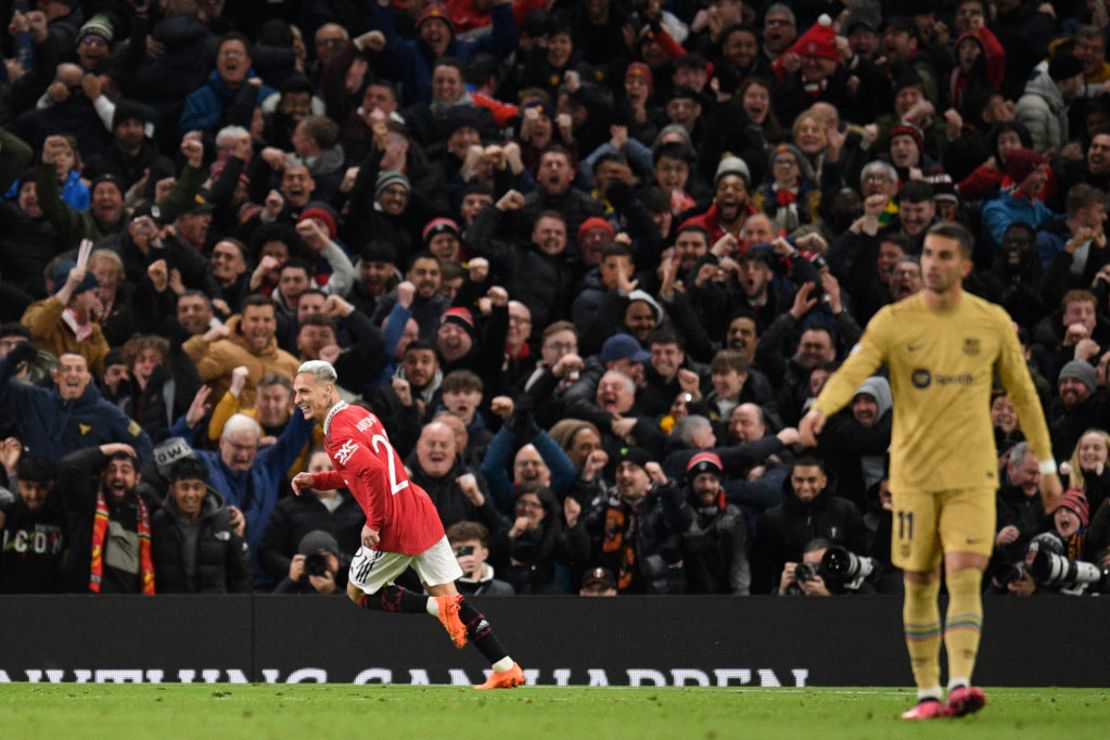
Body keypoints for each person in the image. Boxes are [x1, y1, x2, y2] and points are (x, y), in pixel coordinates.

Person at [800, 222, 1063, 719]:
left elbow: (1025, 396)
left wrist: (1047, 466)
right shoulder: (894, 321)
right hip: (914, 478)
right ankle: (926, 693)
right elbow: (855, 368)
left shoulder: (991, 321)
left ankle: (961, 682)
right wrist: (821, 406)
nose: (932, 264)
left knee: (964, 576)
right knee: (920, 581)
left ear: (964, 265)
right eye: (927, 254)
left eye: (944, 256)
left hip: (972, 475)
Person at [290, 360, 523, 689]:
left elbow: (371, 472)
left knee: (357, 592)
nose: (298, 399)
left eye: (304, 391)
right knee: (453, 601)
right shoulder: (359, 414)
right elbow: (362, 470)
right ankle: (504, 665)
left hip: (394, 524)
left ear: (327, 389)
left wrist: (374, 522)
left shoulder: (336, 432)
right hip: (418, 508)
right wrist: (318, 479)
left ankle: (433, 606)